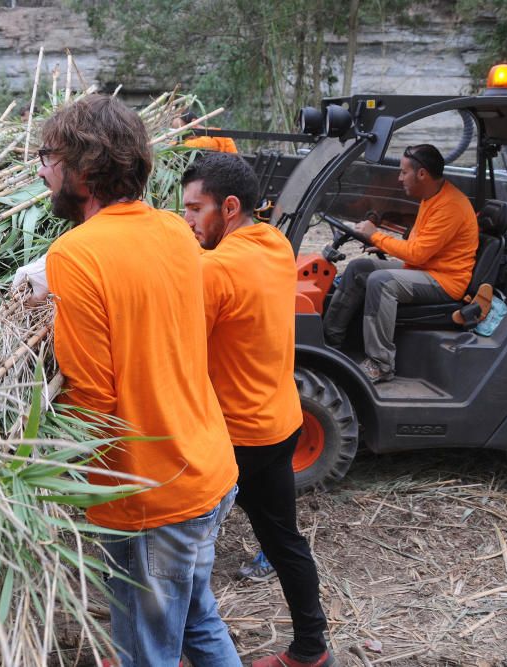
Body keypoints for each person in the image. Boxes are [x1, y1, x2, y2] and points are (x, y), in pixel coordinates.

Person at [37, 95, 240, 667]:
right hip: (207, 468)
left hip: (149, 494)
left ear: (83, 167)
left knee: (146, 651)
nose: (43, 170)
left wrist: (55, 478)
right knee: (196, 619)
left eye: (49, 156)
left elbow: (93, 399)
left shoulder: (75, 255)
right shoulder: (176, 232)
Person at [182, 153, 335, 667]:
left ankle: (162, 650)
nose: (187, 221)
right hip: (281, 422)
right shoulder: (272, 243)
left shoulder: (214, 268)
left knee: (181, 545)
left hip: (235, 436)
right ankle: (312, 649)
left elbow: (178, 351)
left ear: (228, 207)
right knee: (283, 538)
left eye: (194, 209)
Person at [322, 144, 478, 383]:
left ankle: (381, 363)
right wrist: (383, 244)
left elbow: (417, 254)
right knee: (359, 269)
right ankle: (330, 342)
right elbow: (419, 246)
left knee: (381, 282)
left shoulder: (451, 206)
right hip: (423, 269)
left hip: (445, 281)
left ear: (422, 174)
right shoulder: (431, 196)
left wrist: (376, 236)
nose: (399, 178)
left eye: (404, 172)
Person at [172, 111, 238, 153]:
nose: (180, 136)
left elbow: (199, 144)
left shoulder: (212, 135)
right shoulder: (195, 138)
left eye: (182, 131)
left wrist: (173, 146)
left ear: (193, 124)